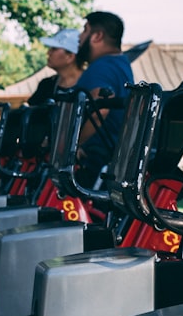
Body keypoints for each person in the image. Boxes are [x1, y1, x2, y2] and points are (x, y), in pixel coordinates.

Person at [73, 11, 134, 187]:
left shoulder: (101, 67)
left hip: (94, 159)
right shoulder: (121, 63)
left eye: (85, 30)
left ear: (97, 36)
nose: (80, 36)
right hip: (112, 156)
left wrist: (75, 145)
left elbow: (102, 107)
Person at [27, 28, 83, 105]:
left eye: (54, 49)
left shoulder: (91, 85)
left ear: (70, 57)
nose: (48, 52)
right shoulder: (46, 85)